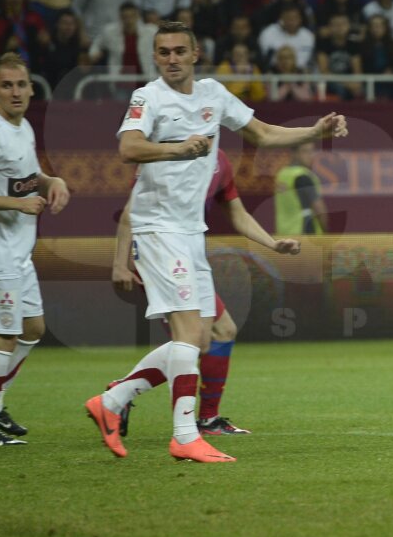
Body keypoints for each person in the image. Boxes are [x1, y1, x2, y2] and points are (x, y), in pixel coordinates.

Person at [85, 21, 348, 463]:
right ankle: (185, 435)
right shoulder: (148, 98)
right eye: (163, 52)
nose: (171, 59)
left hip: (191, 234)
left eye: (178, 51)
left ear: (195, 54)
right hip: (158, 229)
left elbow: (262, 133)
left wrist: (313, 132)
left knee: (207, 336)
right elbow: (129, 148)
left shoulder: (213, 94)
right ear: (155, 57)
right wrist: (178, 148)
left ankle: (113, 400)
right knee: (190, 334)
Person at [111, 149, 293, 437]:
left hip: (187, 254)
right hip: (160, 252)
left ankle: (204, 418)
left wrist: (272, 244)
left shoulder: (219, 159)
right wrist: (120, 264)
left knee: (219, 332)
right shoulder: (168, 151)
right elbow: (131, 212)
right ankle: (122, 396)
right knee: (192, 339)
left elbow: (237, 212)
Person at [0, 53, 71, 446]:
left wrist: (52, 180)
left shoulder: (22, 128)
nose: (15, 92)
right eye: (6, 85)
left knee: (32, 328)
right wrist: (17, 205)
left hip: (17, 254)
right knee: (3, 337)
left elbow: (27, 176)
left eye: (21, 84)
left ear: (31, 89)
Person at [274, 142, 327, 235]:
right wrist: (327, 233)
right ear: (294, 153)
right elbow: (319, 209)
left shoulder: (282, 174)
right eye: (305, 151)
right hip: (304, 233)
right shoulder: (302, 176)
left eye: (311, 151)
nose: (310, 155)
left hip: (284, 233)